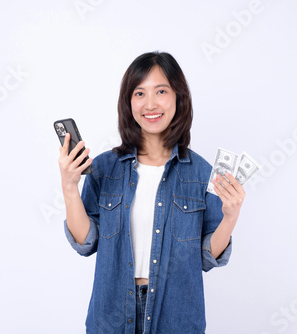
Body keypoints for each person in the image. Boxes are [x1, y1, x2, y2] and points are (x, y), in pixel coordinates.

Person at [58, 51, 245, 333]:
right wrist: (69, 187)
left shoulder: (201, 173)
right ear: (128, 102)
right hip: (112, 316)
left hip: (176, 318)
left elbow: (206, 258)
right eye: (139, 93)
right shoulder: (105, 168)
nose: (150, 104)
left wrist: (230, 217)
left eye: (161, 91)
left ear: (178, 97)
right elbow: (87, 242)